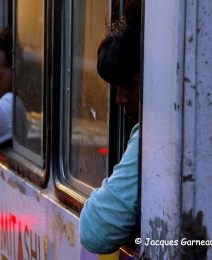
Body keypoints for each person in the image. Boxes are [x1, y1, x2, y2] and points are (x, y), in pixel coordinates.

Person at [79, 17, 141, 254]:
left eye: (130, 85)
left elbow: (96, 233)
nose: (120, 99)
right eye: (117, 87)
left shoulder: (152, 139)